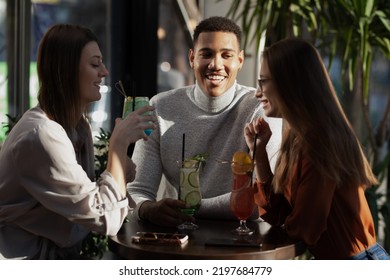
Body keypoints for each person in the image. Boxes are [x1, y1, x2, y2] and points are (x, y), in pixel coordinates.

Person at [0, 24, 156, 259]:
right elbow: (105, 219)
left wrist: (147, 207)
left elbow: (90, 203)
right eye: (95, 64)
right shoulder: (42, 134)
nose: (104, 71)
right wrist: (118, 146)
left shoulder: (78, 127)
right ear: (66, 71)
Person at [127, 16, 282, 227]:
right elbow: (137, 190)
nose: (215, 64)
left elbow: (259, 200)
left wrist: (189, 209)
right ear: (192, 58)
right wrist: (147, 209)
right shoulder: (160, 107)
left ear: (240, 60)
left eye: (226, 55)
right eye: (206, 54)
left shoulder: (259, 108)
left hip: (239, 240)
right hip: (175, 238)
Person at [245, 37, 390, 260]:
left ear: (290, 82)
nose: (257, 92)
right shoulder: (298, 136)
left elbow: (304, 228)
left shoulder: (320, 142)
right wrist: (260, 153)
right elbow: (279, 215)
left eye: (263, 81)